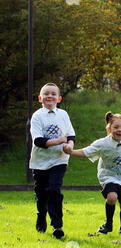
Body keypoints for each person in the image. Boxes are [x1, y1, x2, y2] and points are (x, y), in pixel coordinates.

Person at [66, 112, 121, 234]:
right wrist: (71, 152)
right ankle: (108, 224)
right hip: (109, 176)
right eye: (116, 127)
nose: (119, 130)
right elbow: (86, 152)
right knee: (112, 196)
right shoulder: (102, 144)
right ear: (109, 129)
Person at [29, 83, 76, 239]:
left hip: (59, 160)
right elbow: (39, 141)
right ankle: (41, 215)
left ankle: (57, 225)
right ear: (40, 98)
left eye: (53, 94)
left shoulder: (63, 115)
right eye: (46, 94)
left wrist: (69, 145)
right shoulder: (37, 116)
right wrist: (58, 141)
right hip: (40, 162)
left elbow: (70, 135)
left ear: (59, 98)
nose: (50, 96)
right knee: (41, 193)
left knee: (54, 189)